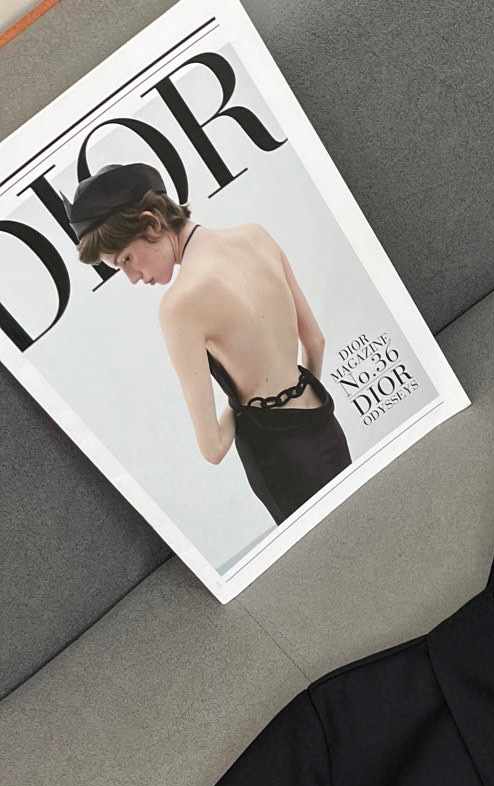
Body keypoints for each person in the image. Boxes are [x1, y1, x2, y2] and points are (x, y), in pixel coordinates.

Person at [67, 161, 352, 525]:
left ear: (152, 223)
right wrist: (295, 397)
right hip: (326, 427)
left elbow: (213, 447)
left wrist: (247, 405)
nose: (133, 278)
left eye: (126, 260)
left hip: (280, 460)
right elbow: (315, 341)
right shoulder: (255, 236)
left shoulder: (179, 306)